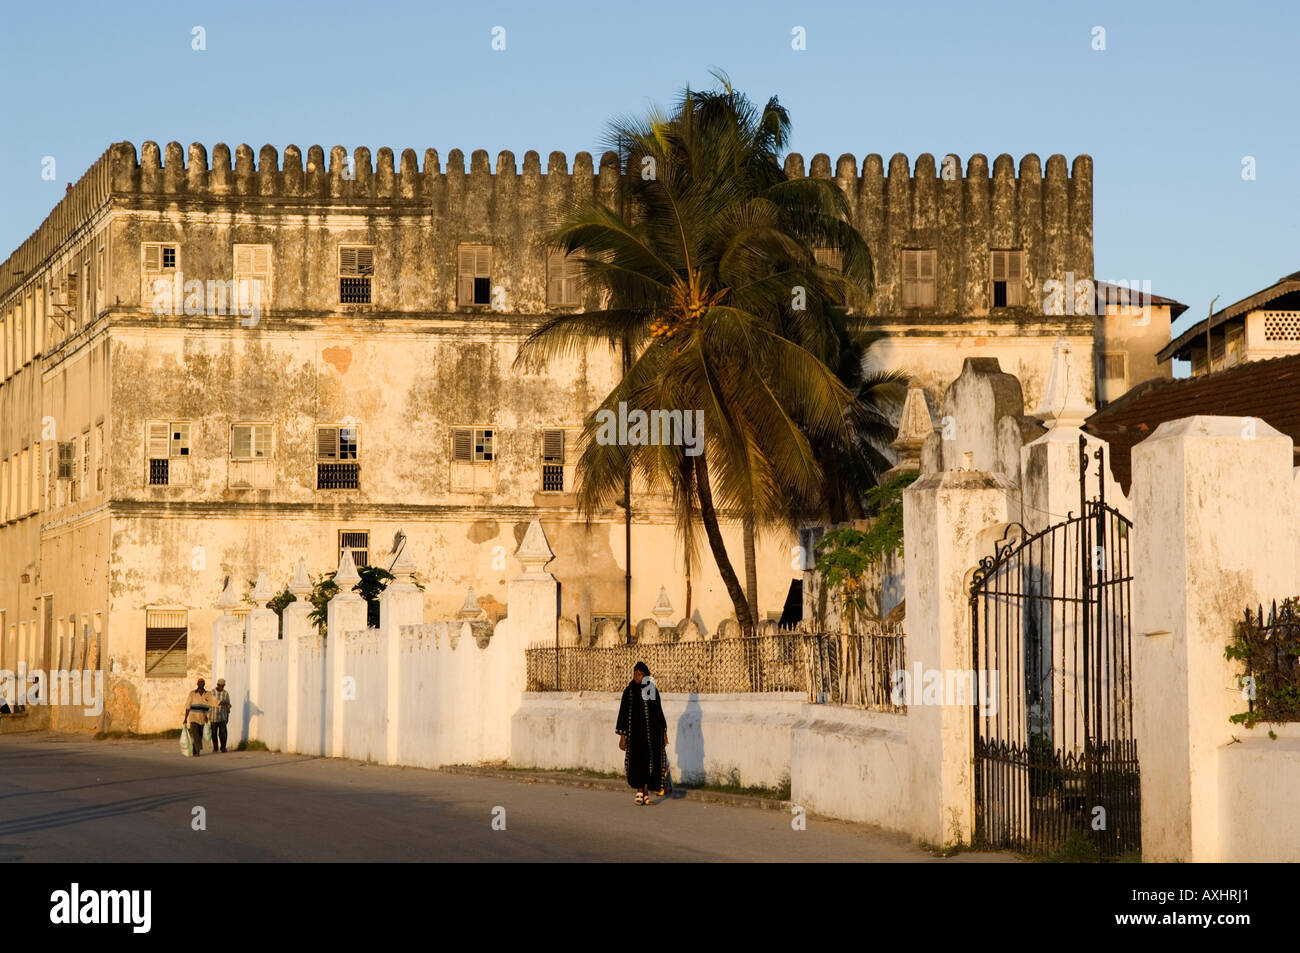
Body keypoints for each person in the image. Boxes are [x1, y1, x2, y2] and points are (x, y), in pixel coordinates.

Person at [615, 661, 668, 805]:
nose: (637, 677)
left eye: (640, 675)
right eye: (635, 674)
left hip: (650, 736)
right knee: (637, 763)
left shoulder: (651, 690)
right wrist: (622, 737)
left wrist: (663, 733)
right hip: (634, 736)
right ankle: (639, 791)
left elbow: (657, 712)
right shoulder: (629, 691)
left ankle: (645, 793)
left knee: (649, 764)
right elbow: (623, 715)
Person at [182, 678, 213, 758]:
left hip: (202, 718)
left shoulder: (208, 694)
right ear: (197, 684)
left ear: (204, 684)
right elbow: (188, 706)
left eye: (202, 683)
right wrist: (185, 718)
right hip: (193, 718)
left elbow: (209, 706)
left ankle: (195, 749)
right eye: (200, 683)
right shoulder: (192, 693)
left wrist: (207, 716)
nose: (201, 684)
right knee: (196, 735)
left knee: (199, 735)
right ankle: (198, 751)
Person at [209, 678, 232, 753]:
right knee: (214, 733)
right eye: (220, 686)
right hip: (213, 716)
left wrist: (227, 715)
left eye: (223, 686)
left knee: (223, 733)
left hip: (223, 716)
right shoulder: (212, 692)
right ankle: (215, 748)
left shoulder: (225, 693)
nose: (221, 687)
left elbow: (228, 704)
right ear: (217, 685)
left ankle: (223, 747)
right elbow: (210, 703)